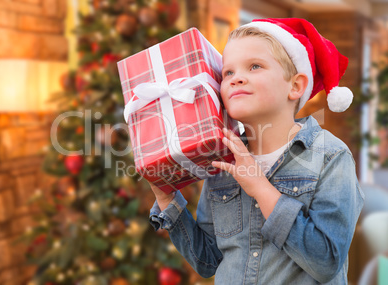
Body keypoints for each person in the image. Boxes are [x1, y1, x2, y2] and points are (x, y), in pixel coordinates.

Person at [148, 18, 365, 284]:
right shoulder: (222, 159)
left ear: (295, 86)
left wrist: (261, 188)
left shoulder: (329, 156)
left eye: (255, 66)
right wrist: (168, 201)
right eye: (228, 73)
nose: (237, 78)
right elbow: (208, 261)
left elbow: (326, 262)